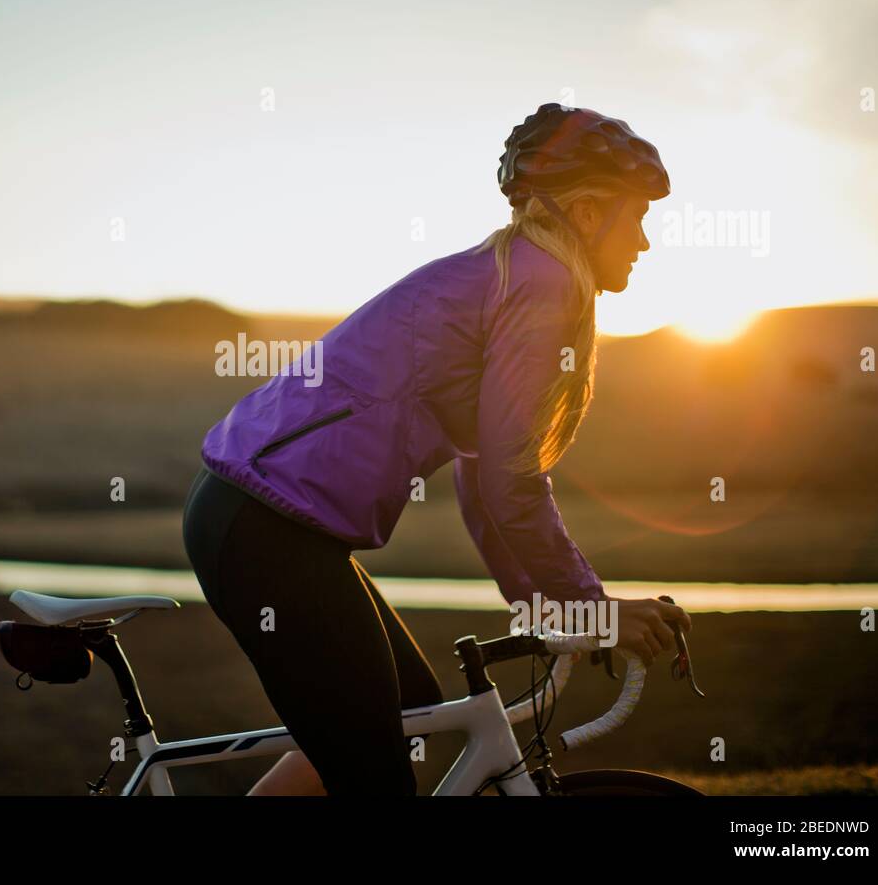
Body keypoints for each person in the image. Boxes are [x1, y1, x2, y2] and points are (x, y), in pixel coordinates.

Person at [182, 102, 693, 797]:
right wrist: (589, 608)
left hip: (261, 526)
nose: (644, 241)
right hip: (269, 536)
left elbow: (486, 481)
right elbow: (513, 482)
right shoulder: (538, 283)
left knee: (413, 723)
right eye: (636, 217)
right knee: (382, 776)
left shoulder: (508, 273)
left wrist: (555, 612)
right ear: (588, 210)